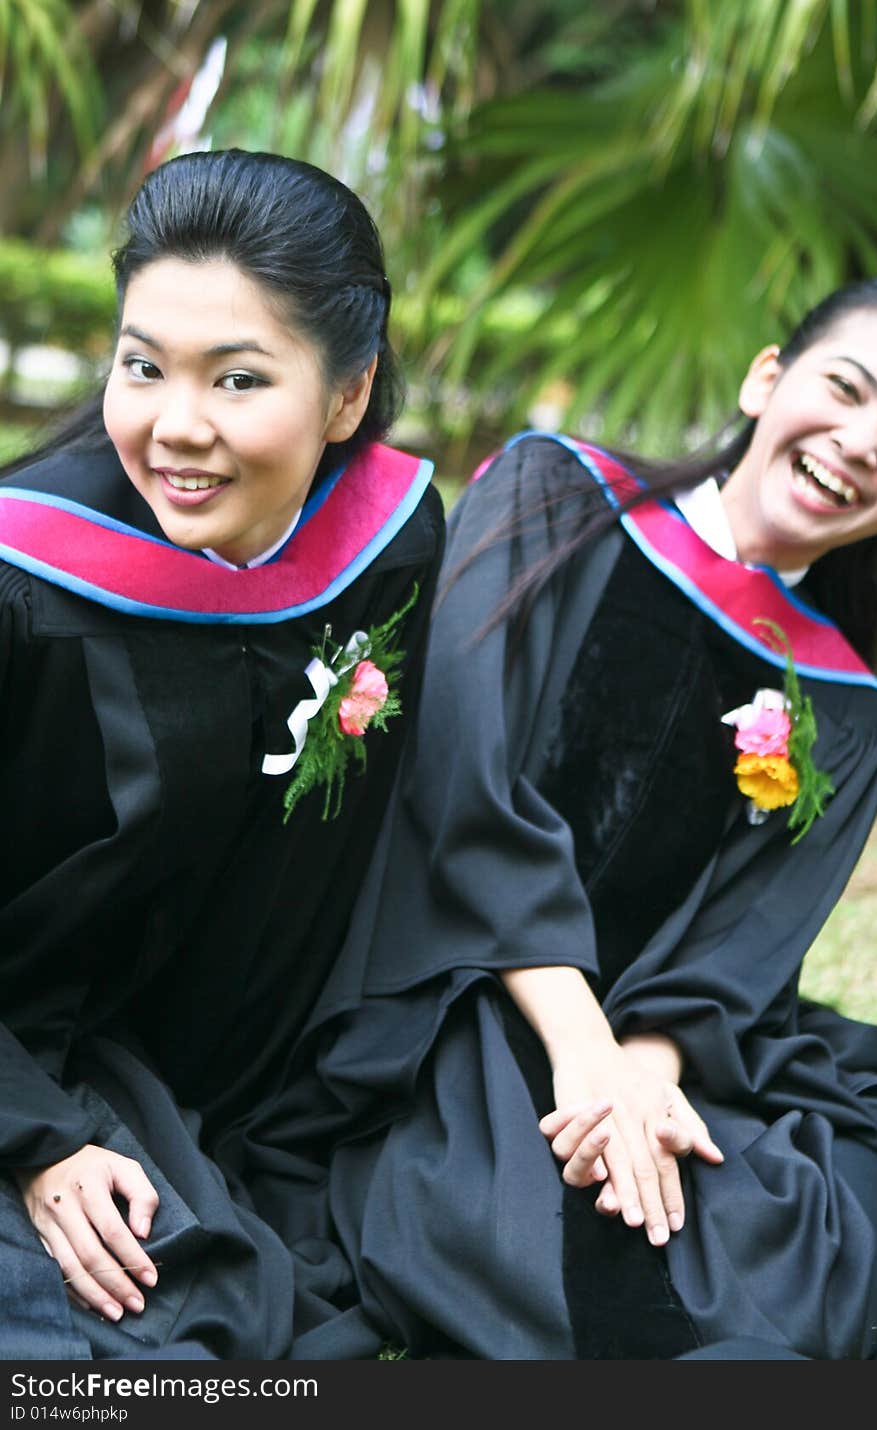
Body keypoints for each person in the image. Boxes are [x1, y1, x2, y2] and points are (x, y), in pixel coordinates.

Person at [277, 280, 877, 1360]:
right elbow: (462, 781)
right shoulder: (553, 498)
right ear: (766, 378)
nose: (864, 443)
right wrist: (581, 1051)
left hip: (664, 1030)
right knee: (489, 1220)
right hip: (458, 969)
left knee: (786, 1222)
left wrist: (640, 1074)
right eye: (848, 388)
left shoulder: (846, 691)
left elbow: (753, 927)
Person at [0, 148, 444, 1360]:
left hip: (248, 1083)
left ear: (346, 397)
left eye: (238, 379)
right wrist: (34, 1133)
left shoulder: (389, 543)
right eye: (142, 367)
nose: (176, 426)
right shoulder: (24, 582)